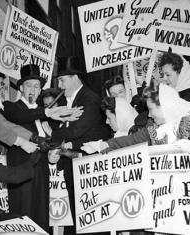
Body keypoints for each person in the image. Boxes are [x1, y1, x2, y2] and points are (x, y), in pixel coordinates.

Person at [2, 64, 82, 232]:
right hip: (21, 174)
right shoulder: (11, 107)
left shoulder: (43, 114)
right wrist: (46, 113)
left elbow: (48, 142)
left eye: (37, 86)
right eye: (29, 85)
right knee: (22, 220)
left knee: (41, 219)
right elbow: (20, 117)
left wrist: (53, 153)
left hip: (42, 172)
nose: (33, 89)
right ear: (21, 88)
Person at [51, 56, 111, 234]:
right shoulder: (68, 100)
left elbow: (77, 130)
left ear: (75, 77)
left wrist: (49, 132)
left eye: (62, 80)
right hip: (73, 164)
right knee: (78, 216)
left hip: (86, 166)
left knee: (89, 218)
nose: (60, 86)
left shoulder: (89, 99)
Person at [94, 82, 190, 153]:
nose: (149, 115)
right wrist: (104, 145)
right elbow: (131, 140)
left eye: (151, 109)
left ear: (165, 105)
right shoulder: (153, 127)